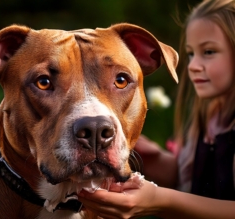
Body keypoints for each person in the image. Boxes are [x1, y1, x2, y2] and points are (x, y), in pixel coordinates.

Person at [77, 0, 235, 218]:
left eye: (208, 51)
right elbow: (194, 180)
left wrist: (162, 200)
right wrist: (152, 157)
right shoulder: (210, 116)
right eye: (190, 54)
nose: (193, 65)